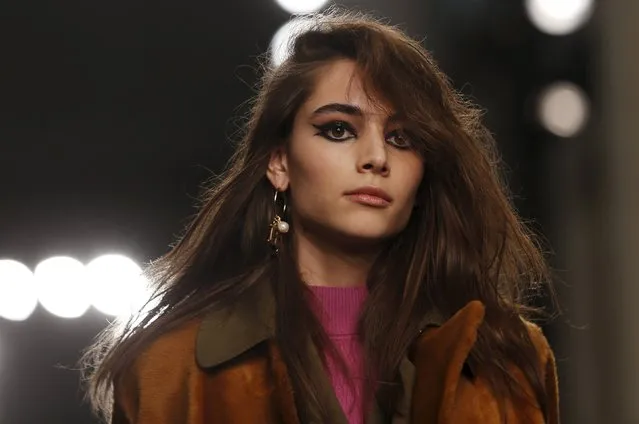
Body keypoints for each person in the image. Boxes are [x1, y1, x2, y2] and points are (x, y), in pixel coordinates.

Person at [82, 10, 559, 424]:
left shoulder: (508, 359)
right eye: (338, 130)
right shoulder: (172, 367)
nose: (376, 158)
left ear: (424, 175)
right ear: (280, 163)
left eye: (402, 138)